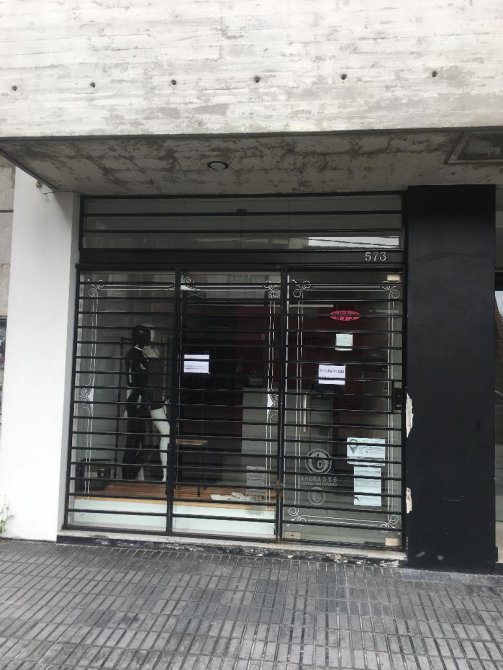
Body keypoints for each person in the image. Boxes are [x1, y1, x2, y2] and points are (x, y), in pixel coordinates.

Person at [123, 325, 169, 481]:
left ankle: (163, 476)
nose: (151, 336)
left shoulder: (152, 352)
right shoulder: (134, 353)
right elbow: (130, 382)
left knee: (152, 439)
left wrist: (162, 398)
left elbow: (158, 379)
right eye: (148, 333)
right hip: (140, 401)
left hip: (152, 400)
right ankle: (129, 476)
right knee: (137, 441)